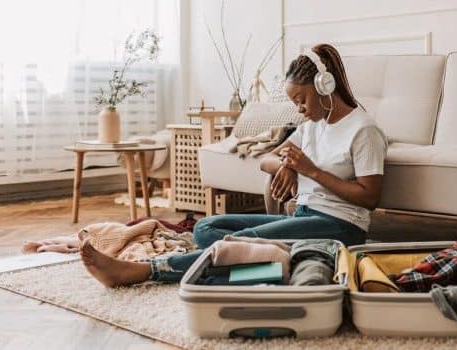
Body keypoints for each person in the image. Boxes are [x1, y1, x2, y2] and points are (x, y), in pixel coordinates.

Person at [81, 44, 389, 287]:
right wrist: (289, 167)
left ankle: (145, 271)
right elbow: (267, 160)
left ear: (324, 86)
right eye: (295, 101)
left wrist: (311, 171)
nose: (298, 108)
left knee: (243, 243)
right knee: (206, 227)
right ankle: (267, 270)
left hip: (339, 226)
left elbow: (370, 197)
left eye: (302, 99)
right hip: (305, 214)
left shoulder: (363, 131)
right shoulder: (312, 127)